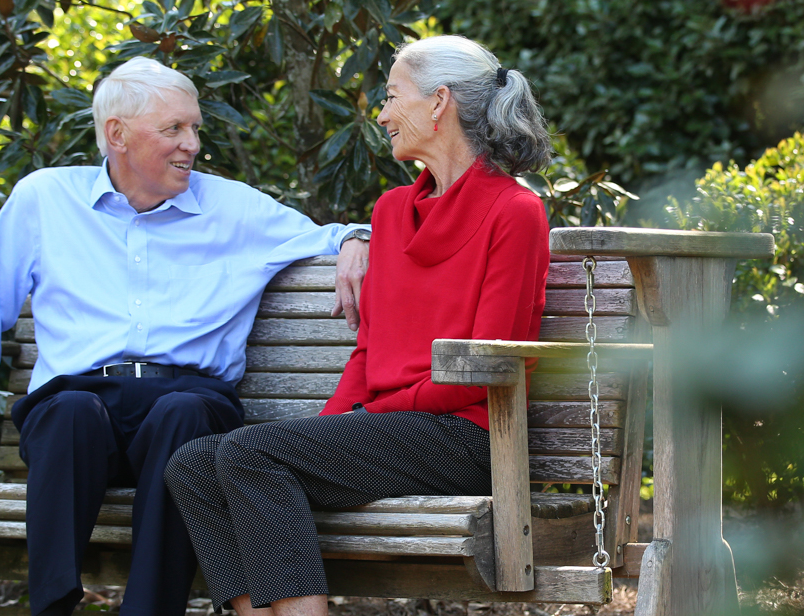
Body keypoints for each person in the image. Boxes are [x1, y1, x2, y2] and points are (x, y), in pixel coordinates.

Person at [0, 57, 371, 616]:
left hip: (187, 407)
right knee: (68, 412)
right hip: (79, 413)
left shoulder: (235, 209)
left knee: (182, 415)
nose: (192, 144)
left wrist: (356, 241)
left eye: (195, 127)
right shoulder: (44, 200)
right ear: (116, 135)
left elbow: (332, 235)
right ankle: (49, 607)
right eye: (174, 129)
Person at [166, 35, 551, 616]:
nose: (382, 114)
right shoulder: (391, 214)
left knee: (249, 455)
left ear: (439, 103)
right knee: (193, 464)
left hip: (467, 435)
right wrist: (326, 431)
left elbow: (484, 371)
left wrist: (369, 416)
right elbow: (368, 352)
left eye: (393, 97)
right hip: (391, 428)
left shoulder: (515, 212)